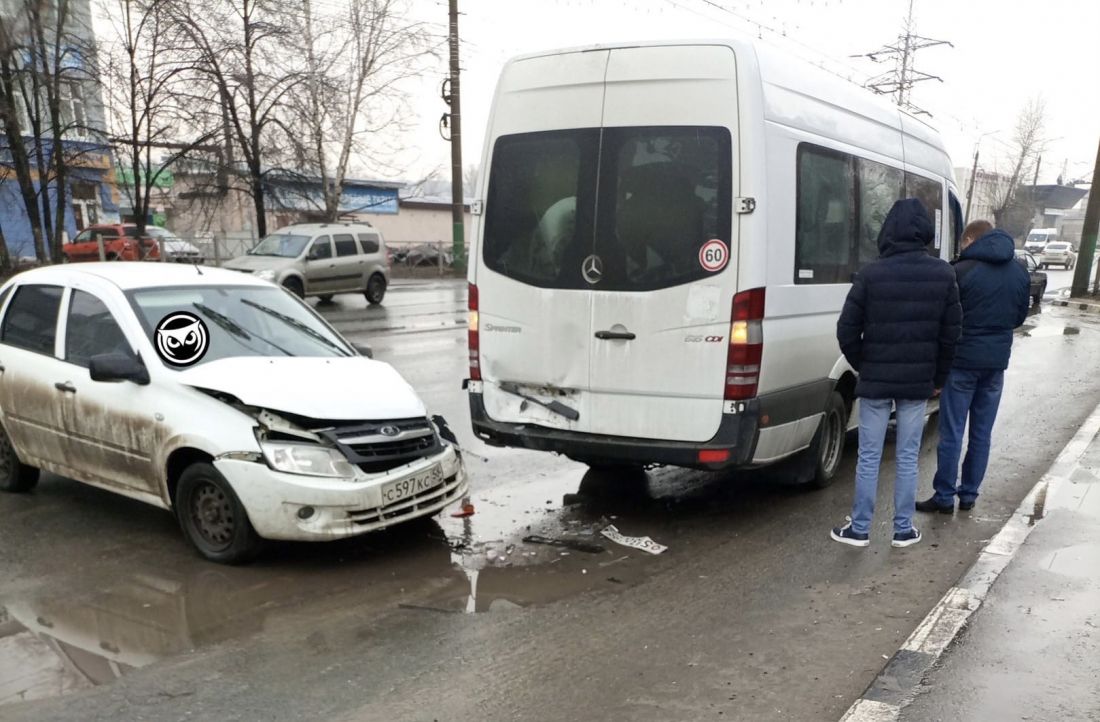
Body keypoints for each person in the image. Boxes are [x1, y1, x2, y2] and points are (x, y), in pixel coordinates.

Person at [831, 198, 962, 548]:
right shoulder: (943, 274)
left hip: (875, 381)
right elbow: (951, 334)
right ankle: (903, 529)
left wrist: (865, 364)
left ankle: (859, 528)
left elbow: (846, 329)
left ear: (888, 230)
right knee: (907, 456)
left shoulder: (872, 273)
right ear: (926, 233)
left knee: (869, 456)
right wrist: (938, 378)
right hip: (918, 383)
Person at [916, 220, 1030, 514]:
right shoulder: (1018, 271)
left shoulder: (961, 272)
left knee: (952, 432)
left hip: (962, 363)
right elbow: (1019, 316)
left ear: (970, 239)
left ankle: (943, 496)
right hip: (995, 365)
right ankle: (968, 495)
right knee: (982, 433)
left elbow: (945, 320)